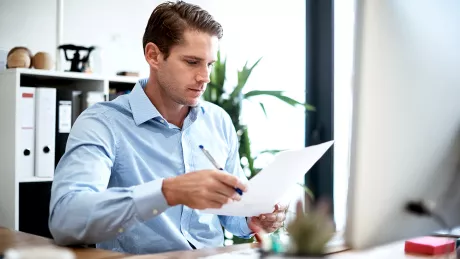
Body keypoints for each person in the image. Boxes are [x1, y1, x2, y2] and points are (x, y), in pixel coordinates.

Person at [48, 0, 287, 254]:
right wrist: (167, 192)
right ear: (153, 55)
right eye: (192, 62)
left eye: (209, 64)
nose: (205, 77)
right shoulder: (103, 123)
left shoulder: (218, 121)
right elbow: (65, 220)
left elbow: (231, 211)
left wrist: (251, 219)